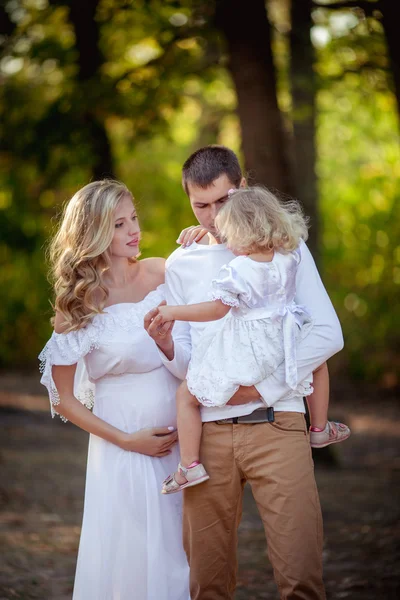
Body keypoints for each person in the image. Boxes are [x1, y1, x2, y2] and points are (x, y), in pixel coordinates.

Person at [144, 145, 344, 600]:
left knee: (301, 578)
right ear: (189, 202)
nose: (214, 216)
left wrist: (262, 387)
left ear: (244, 189)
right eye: (202, 205)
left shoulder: (285, 249)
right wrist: (166, 344)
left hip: (279, 423)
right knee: (208, 583)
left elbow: (327, 334)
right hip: (209, 437)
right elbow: (186, 366)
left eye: (224, 200)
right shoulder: (183, 263)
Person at [38, 180, 190, 600]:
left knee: (182, 556)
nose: (133, 230)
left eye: (133, 218)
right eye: (119, 223)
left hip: (183, 440)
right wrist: (128, 441)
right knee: (131, 554)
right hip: (122, 446)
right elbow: (61, 398)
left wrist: (202, 236)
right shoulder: (79, 302)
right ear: (95, 232)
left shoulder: (164, 272)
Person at [154, 186, 350, 494]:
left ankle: (189, 465)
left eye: (229, 233)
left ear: (244, 232)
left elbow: (217, 309)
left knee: (187, 395)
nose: (225, 241)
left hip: (251, 351)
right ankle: (320, 427)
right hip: (284, 340)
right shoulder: (287, 257)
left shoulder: (239, 268)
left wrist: (172, 311)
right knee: (317, 364)